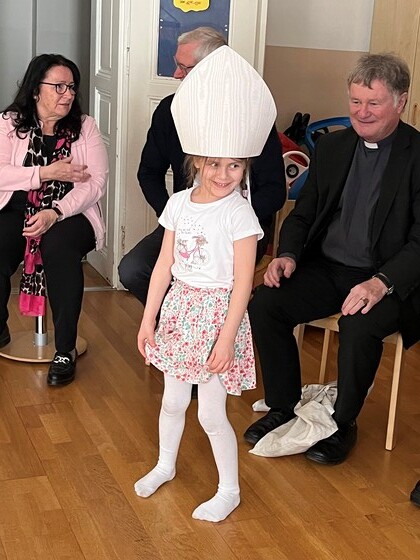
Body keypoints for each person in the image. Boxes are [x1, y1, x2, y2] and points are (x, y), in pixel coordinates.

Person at [244, 52, 420, 465]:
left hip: (390, 280)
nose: (361, 112)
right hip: (327, 268)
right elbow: (304, 213)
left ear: (401, 101)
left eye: (373, 103)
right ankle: (283, 406)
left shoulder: (417, 156)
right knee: (266, 303)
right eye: (355, 101)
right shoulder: (334, 146)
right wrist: (286, 254)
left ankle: (343, 423)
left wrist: (380, 282)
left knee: (358, 327)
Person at [134, 46, 276, 522]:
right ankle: (165, 465)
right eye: (214, 164)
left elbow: (241, 284)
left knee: (211, 413)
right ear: (195, 161)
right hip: (180, 312)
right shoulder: (178, 204)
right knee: (174, 400)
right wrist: (149, 316)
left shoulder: (241, 213)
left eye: (235, 166)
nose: (223, 175)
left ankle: (229, 489)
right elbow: (162, 267)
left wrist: (228, 337)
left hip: (218, 318)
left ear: (246, 168)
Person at [118, 26, 286, 307]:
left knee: (212, 281)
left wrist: (228, 220)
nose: (175, 75)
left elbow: (274, 191)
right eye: (177, 66)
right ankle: (176, 328)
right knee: (133, 270)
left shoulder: (253, 116)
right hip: (187, 221)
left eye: (184, 68)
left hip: (238, 228)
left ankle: (209, 333)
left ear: (211, 70)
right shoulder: (169, 111)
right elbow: (148, 173)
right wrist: (174, 216)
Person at [0, 53, 108, 386]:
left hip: (70, 212)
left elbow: (96, 182)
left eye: (72, 87)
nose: (68, 94)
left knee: (58, 246)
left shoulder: (85, 126)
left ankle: (64, 349)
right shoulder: (8, 123)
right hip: (15, 207)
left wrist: (55, 212)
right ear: (35, 90)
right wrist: (46, 172)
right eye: (58, 86)